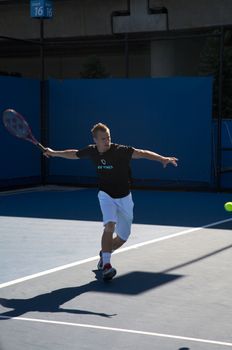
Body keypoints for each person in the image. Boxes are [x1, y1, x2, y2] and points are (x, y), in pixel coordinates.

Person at [44, 123, 178, 280]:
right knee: (109, 225)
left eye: (108, 137)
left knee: (122, 237)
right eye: (103, 139)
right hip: (106, 195)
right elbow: (73, 154)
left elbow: (141, 153)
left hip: (125, 198)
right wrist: (53, 153)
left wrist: (162, 159)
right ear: (95, 140)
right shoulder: (92, 151)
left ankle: (104, 253)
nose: (107, 141)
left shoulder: (120, 151)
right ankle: (107, 265)